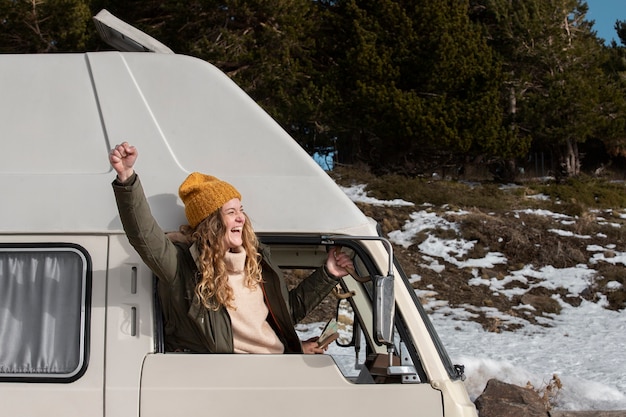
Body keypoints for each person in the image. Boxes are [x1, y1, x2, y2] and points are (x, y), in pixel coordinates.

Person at [109, 142, 353, 354]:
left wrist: (328, 273)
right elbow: (144, 235)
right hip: (231, 381)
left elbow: (284, 315)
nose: (241, 219)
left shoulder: (256, 263)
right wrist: (127, 179)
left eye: (241, 211)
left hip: (275, 370)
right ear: (212, 224)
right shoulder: (182, 268)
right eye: (231, 212)